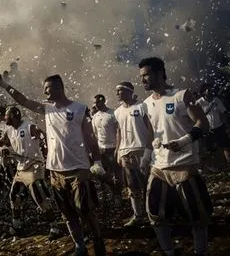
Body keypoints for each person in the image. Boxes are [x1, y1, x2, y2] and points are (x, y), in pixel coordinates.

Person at [0, 74, 106, 256]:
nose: (44, 92)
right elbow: (23, 100)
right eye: (44, 88)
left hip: (78, 170)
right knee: (67, 213)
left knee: (85, 210)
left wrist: (98, 162)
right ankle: (80, 247)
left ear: (58, 88)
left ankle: (98, 242)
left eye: (47, 88)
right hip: (55, 172)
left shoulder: (80, 109)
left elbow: (90, 138)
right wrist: (5, 85)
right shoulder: (47, 109)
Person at [139, 57, 212, 256]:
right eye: (141, 77)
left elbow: (202, 124)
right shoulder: (145, 104)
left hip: (184, 166)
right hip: (159, 168)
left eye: (146, 75)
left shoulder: (181, 96)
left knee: (196, 215)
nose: (143, 80)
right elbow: (150, 133)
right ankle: (168, 252)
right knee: (155, 215)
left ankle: (200, 251)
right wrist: (146, 157)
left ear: (159, 73)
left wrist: (182, 142)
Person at [0, 107, 60, 240]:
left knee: (39, 196)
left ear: (14, 116)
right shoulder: (8, 130)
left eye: (7, 116)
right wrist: (3, 148)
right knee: (14, 196)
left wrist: (46, 148)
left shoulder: (28, 126)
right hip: (20, 168)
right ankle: (17, 226)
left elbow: (42, 135)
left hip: (34, 166)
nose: (4, 118)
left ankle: (54, 226)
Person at [114, 82, 153, 226]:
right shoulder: (117, 111)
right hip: (126, 152)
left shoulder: (141, 106)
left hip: (141, 149)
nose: (117, 93)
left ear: (129, 91)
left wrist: (149, 149)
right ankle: (137, 215)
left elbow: (150, 129)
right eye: (116, 91)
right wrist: (118, 151)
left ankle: (152, 213)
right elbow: (118, 132)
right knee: (132, 185)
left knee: (147, 184)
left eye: (120, 91)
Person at [196, 83, 230, 174]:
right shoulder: (199, 103)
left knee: (226, 147)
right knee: (208, 150)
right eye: (208, 90)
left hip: (219, 127)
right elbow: (196, 116)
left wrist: (227, 126)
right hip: (207, 130)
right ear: (203, 92)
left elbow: (223, 113)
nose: (210, 91)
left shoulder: (216, 100)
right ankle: (203, 168)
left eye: (211, 89)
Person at [91, 94, 120, 206]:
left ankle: (117, 195)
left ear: (103, 102)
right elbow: (94, 134)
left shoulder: (113, 114)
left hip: (112, 148)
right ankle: (110, 191)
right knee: (102, 174)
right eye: (94, 103)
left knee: (116, 174)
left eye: (98, 102)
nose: (95, 105)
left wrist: (118, 148)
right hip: (101, 149)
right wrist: (95, 150)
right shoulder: (95, 116)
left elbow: (118, 132)